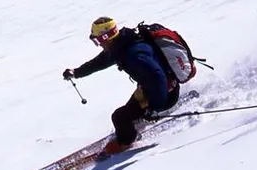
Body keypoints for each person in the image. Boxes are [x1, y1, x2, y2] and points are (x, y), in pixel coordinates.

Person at [62, 16, 180, 158]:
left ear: (106, 37)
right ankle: (135, 123)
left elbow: (157, 76)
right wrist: (76, 72)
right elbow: (101, 61)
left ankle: (125, 142)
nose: (98, 45)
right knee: (127, 113)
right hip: (154, 88)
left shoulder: (134, 54)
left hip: (165, 94)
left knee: (119, 117)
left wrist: (155, 108)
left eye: (97, 41)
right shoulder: (123, 43)